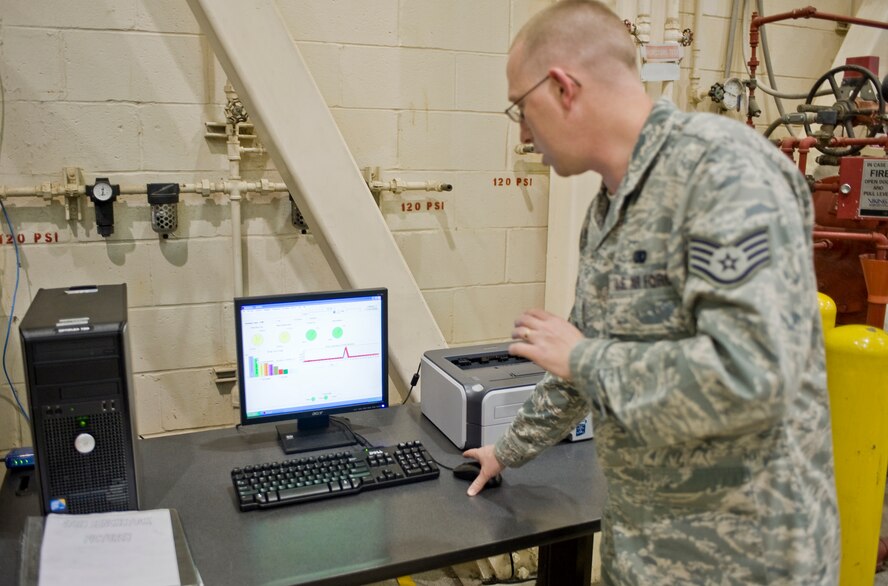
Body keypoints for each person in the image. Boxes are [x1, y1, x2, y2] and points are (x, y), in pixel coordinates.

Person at [461, 1, 840, 584]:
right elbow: (579, 364)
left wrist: (585, 358)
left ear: (562, 87)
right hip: (648, 548)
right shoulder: (609, 209)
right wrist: (506, 451)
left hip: (743, 560)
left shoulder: (723, 172)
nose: (523, 134)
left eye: (521, 108)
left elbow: (753, 376)